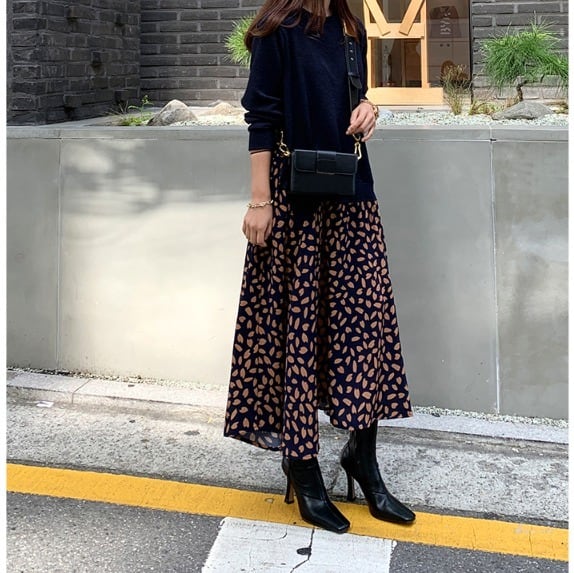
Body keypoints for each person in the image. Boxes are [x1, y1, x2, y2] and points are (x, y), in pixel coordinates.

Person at [224, 0, 415, 534]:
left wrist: (368, 108)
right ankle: (302, 465)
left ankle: (362, 458)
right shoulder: (277, 29)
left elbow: (352, 96)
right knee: (298, 330)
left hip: (352, 194)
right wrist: (259, 202)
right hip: (293, 202)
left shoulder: (351, 26)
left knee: (364, 329)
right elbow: (261, 119)